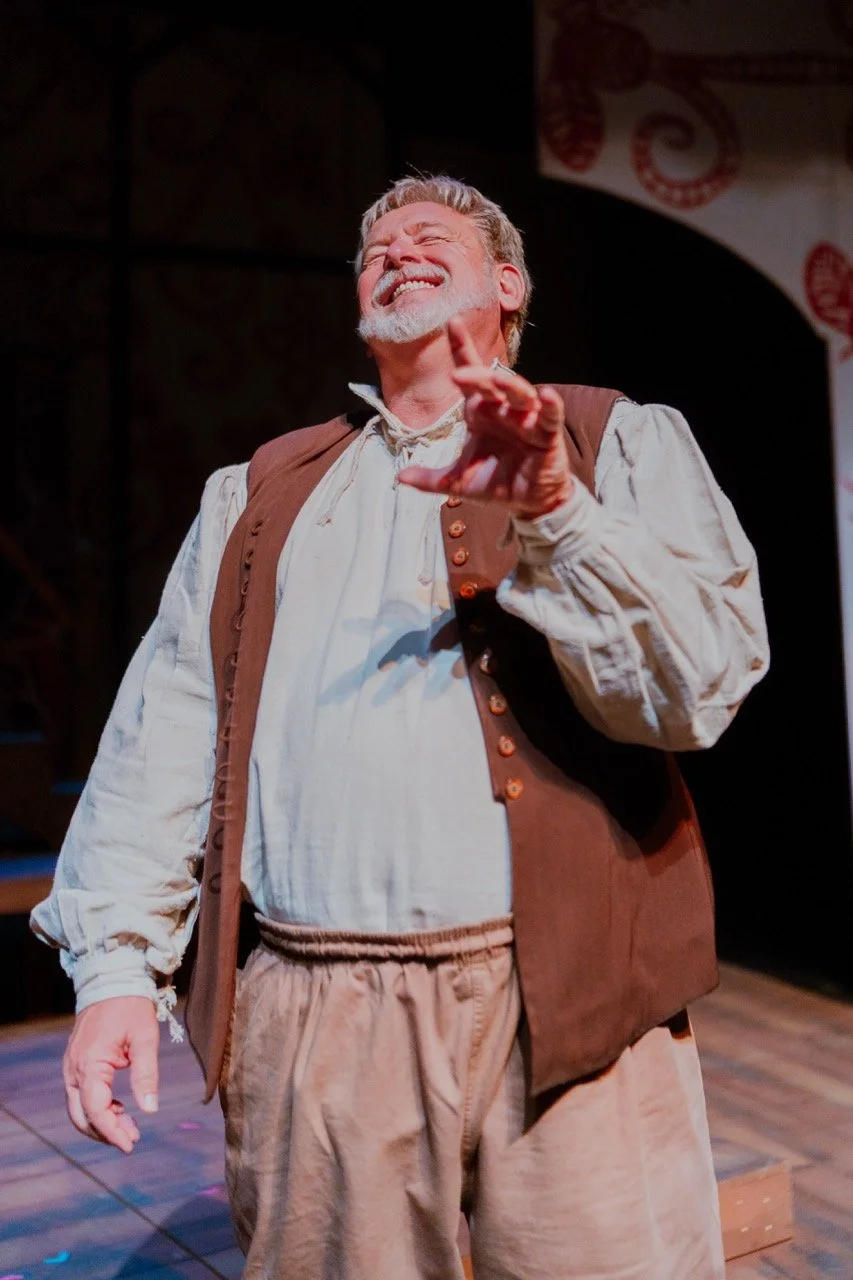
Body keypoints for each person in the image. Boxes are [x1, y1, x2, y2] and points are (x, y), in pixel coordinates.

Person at [32, 174, 769, 1280]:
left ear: (509, 283)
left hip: (570, 1000)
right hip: (317, 1010)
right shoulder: (258, 491)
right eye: (375, 245)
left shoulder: (614, 438)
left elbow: (695, 688)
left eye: (434, 237)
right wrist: (115, 973)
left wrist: (556, 513)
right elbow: (164, 735)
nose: (397, 249)